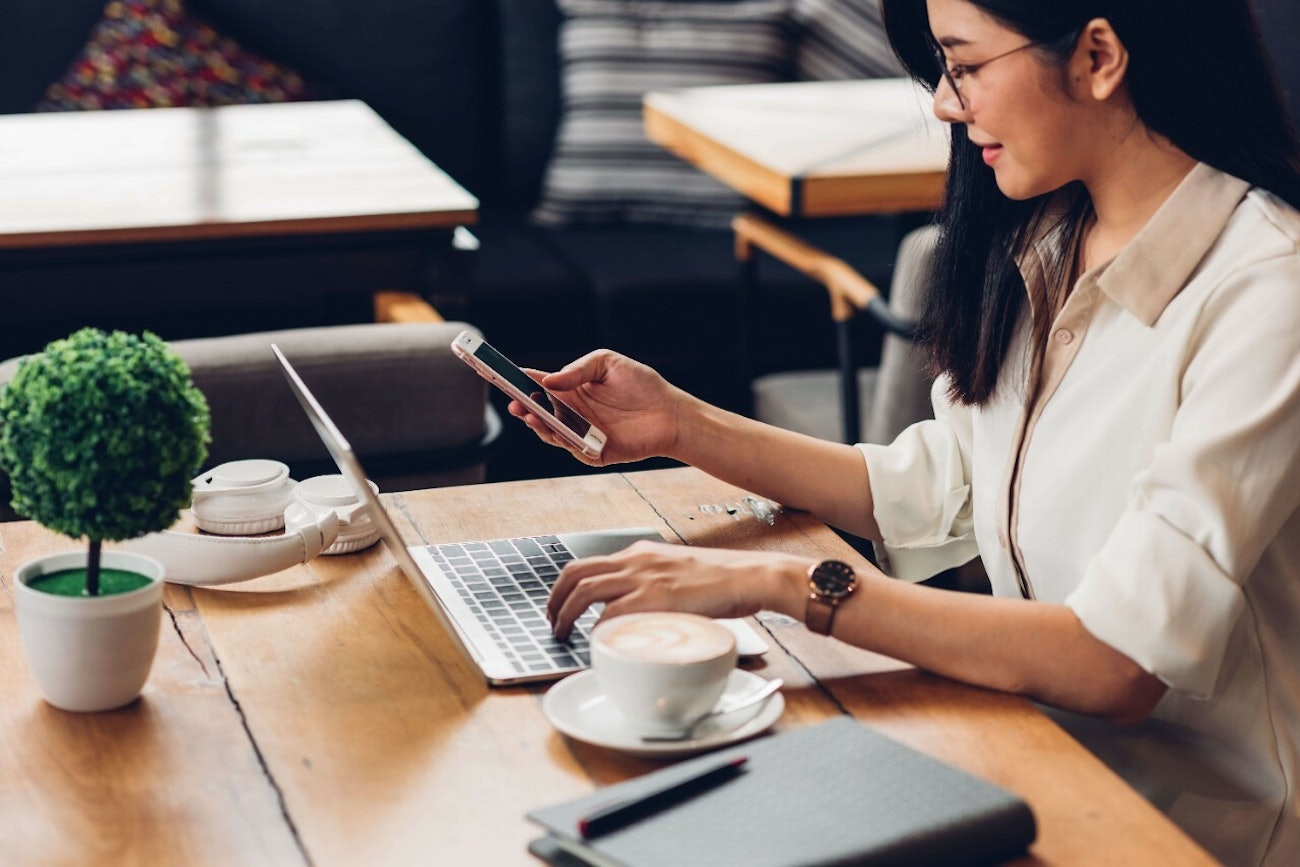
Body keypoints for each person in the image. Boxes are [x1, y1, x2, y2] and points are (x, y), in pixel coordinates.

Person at [515, 1, 1300, 863]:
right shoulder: (1052, 234)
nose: (946, 106)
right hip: (1024, 759)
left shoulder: (1270, 292)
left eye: (963, 66)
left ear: (1098, 57)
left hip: (1195, 831)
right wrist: (682, 422)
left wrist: (786, 586)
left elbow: (1114, 662)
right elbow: (937, 484)